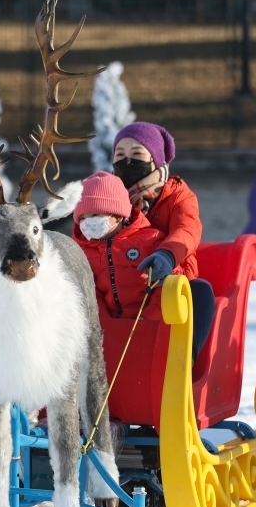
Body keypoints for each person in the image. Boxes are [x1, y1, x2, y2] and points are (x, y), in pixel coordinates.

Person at [110, 121, 215, 362]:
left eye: (137, 155)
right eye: (120, 155)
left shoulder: (177, 195)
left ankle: (182, 364)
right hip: (123, 288)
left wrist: (167, 255)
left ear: (155, 160)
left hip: (170, 283)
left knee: (200, 292)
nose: (127, 162)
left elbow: (187, 229)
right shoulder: (111, 197)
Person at [71, 171, 168, 322]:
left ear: (118, 216)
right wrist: (103, 322)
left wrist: (149, 317)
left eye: (95, 215)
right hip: (108, 329)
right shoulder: (82, 251)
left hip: (151, 324)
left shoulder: (150, 240)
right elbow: (89, 291)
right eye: (82, 218)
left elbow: (166, 283)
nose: (87, 223)